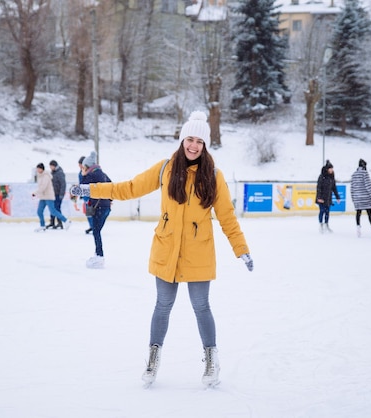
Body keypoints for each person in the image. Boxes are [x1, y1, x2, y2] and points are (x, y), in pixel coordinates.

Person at [70, 110, 253, 388]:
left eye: (199, 142)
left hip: (198, 251)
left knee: (201, 306)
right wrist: (90, 190)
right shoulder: (166, 168)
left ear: (205, 146)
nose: (193, 146)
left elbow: (227, 217)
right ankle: (153, 358)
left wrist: (241, 248)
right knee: (162, 306)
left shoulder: (214, 175)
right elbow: (128, 188)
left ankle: (211, 360)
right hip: (166, 248)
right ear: (182, 140)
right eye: (189, 139)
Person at [79, 151, 112, 268]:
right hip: (106, 207)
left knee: (96, 231)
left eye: (84, 167)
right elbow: (111, 185)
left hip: (97, 207)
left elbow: (81, 188)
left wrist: (83, 175)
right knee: (96, 231)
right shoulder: (103, 174)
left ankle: (99, 255)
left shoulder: (90, 175)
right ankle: (98, 254)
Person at [32, 163, 71, 232]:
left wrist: (35, 193)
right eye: (37, 169)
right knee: (39, 211)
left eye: (38, 168)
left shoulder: (46, 176)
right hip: (43, 197)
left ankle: (66, 221)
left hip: (49, 196)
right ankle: (42, 225)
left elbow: (43, 187)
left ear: (42, 169)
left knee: (53, 211)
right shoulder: (39, 176)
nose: (37, 170)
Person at [350, 159, 371, 238]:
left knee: (358, 213)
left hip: (357, 198)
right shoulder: (365, 173)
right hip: (365, 197)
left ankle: (358, 228)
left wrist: (353, 198)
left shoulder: (354, 174)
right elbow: (368, 185)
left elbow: (352, 188)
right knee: (369, 213)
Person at [316, 160, 340, 233]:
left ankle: (326, 225)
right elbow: (319, 187)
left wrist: (337, 197)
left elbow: (334, 188)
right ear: (327, 169)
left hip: (328, 197)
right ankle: (321, 225)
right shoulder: (321, 177)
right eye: (330, 169)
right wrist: (319, 198)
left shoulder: (331, 177)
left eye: (332, 169)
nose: (332, 170)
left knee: (327, 212)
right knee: (322, 211)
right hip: (321, 198)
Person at [48, 160, 66, 229]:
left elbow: (63, 184)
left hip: (58, 194)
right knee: (52, 208)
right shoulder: (52, 173)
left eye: (51, 166)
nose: (50, 168)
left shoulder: (60, 173)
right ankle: (52, 222)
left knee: (57, 208)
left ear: (54, 166)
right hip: (52, 194)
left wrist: (62, 194)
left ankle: (60, 223)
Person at [78, 156, 94, 234]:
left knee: (90, 211)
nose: (80, 166)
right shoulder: (80, 172)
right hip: (85, 195)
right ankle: (92, 226)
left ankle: (93, 226)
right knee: (87, 212)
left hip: (89, 195)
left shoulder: (89, 172)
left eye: (80, 164)